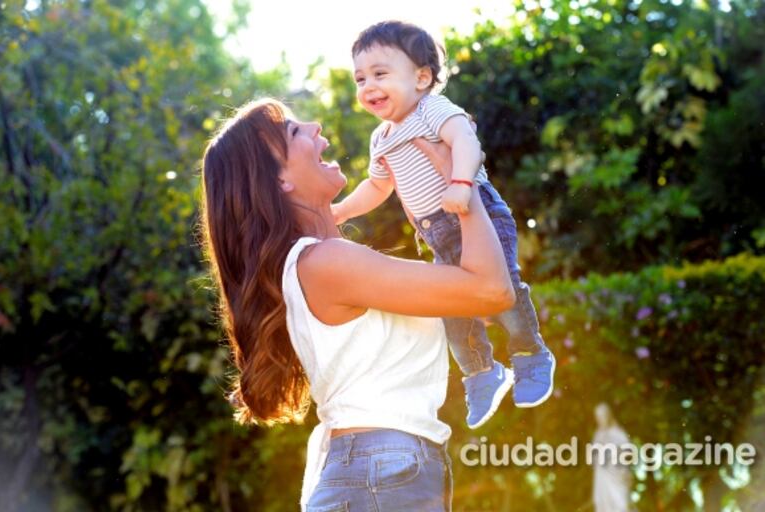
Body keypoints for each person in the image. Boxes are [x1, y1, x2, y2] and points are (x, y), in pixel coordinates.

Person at [199, 98, 515, 511]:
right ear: (280, 182)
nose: (314, 126)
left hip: (384, 470)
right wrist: (459, 181)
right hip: (381, 472)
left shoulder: (327, 263)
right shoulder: (327, 263)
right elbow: (491, 290)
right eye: (295, 132)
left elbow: (484, 303)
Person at [331, 20, 555, 429]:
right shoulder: (381, 138)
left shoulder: (433, 109)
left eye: (380, 74)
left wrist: (461, 184)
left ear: (421, 77)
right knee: (451, 306)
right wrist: (342, 212)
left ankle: (530, 354)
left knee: (502, 295)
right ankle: (481, 372)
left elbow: (468, 144)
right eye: (360, 78)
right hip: (436, 232)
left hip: (477, 208)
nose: (368, 86)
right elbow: (378, 186)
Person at [592, 403, 633, 512]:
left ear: (608, 416)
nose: (601, 420)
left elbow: (627, 452)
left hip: (617, 473)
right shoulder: (598, 435)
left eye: (603, 416)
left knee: (621, 504)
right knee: (603, 504)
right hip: (602, 475)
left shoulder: (618, 433)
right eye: (598, 417)